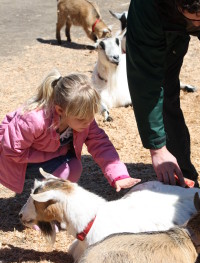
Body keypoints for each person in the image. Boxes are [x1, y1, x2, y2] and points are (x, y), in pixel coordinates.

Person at [0, 70, 141, 194]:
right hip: (16, 161)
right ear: (60, 110)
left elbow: (100, 144)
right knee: (66, 170)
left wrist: (119, 175)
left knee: (73, 168)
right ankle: (42, 213)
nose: (87, 123)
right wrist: (57, 153)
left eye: (91, 116)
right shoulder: (34, 119)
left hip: (45, 156)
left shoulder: (83, 118)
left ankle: (50, 206)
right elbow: (12, 150)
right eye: (81, 119)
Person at [126, 0, 200, 187]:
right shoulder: (147, 9)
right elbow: (147, 80)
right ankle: (182, 177)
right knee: (165, 91)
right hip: (162, 19)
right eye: (195, 20)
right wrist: (157, 147)